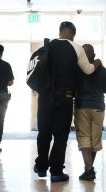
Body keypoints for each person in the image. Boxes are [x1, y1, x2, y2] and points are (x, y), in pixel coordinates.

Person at [34, 21, 102, 182]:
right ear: (73, 34)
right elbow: (88, 70)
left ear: (59, 32)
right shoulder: (76, 47)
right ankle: (56, 172)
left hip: (45, 96)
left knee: (44, 132)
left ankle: (41, 167)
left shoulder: (45, 45)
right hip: (65, 97)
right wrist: (97, 63)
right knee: (60, 134)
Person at [74, 44, 106, 180]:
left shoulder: (76, 70)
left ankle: (89, 169)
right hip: (98, 108)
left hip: (82, 107)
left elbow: (72, 90)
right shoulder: (102, 70)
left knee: (84, 137)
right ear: (94, 56)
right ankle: (88, 170)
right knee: (95, 139)